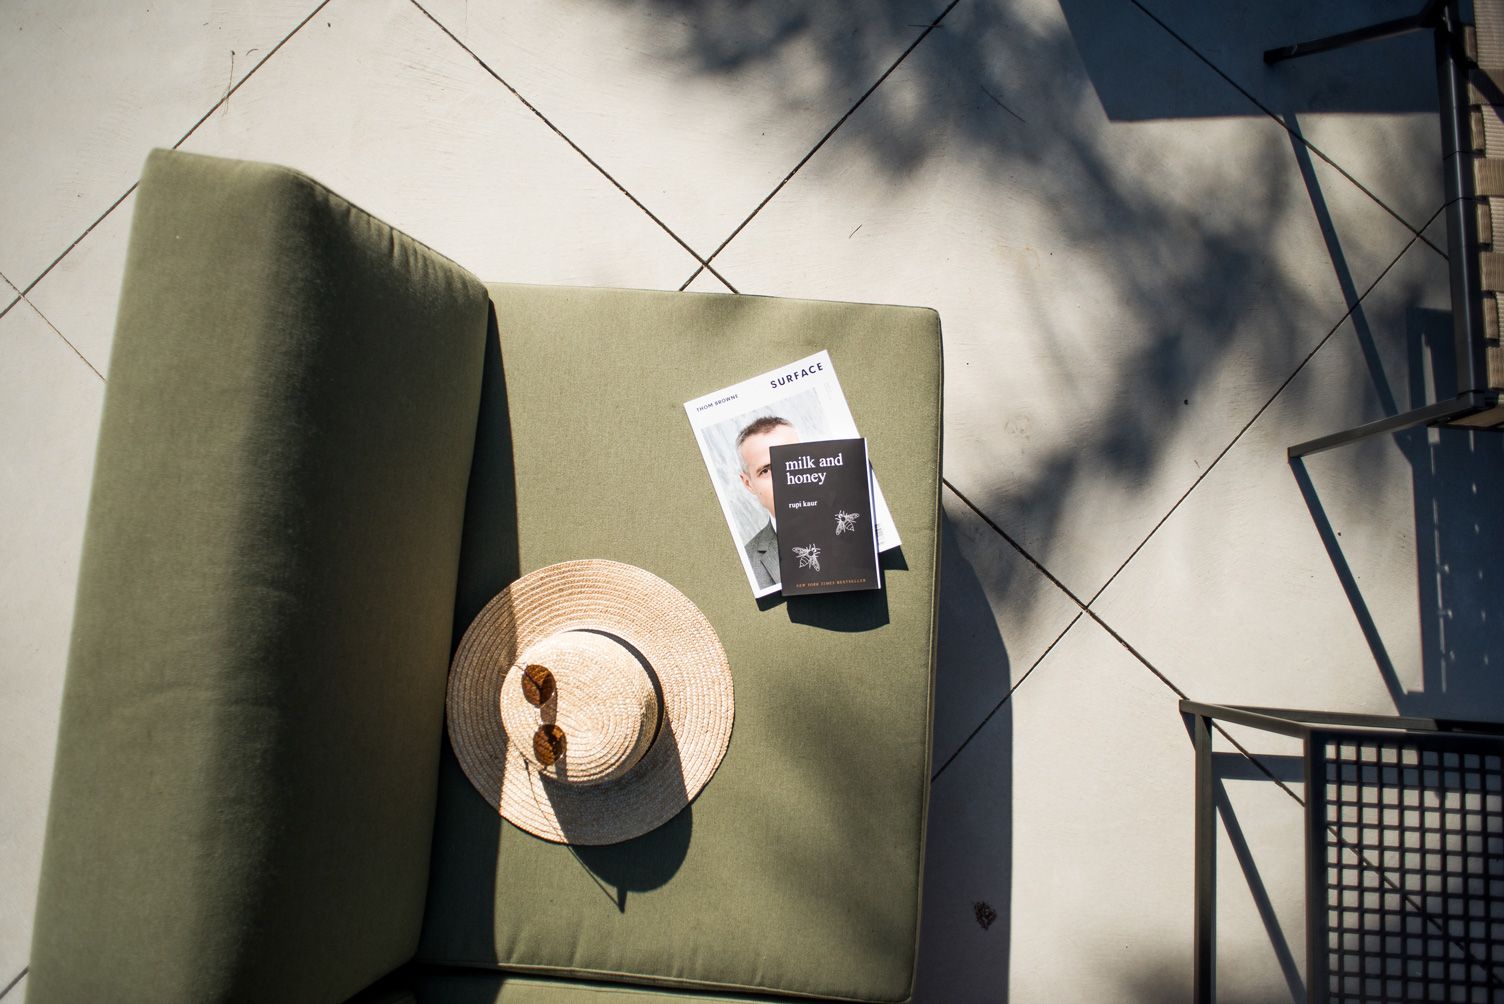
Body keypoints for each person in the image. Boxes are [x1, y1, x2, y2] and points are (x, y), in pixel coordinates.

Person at [735, 415, 799, 589]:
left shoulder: (866, 521)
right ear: (748, 483)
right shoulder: (746, 565)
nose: (785, 478)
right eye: (766, 471)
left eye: (792, 461)